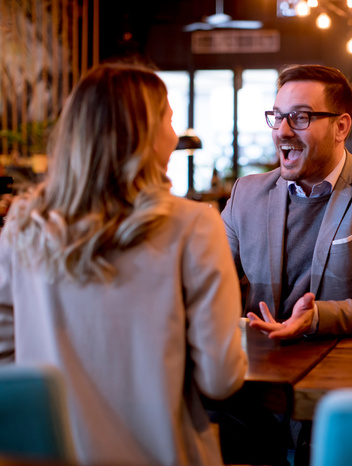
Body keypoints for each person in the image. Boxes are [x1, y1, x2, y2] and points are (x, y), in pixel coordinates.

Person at [0, 63, 248, 465]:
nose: (174, 133)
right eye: (169, 118)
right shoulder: (195, 226)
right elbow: (220, 379)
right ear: (147, 136)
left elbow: (6, 360)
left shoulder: (23, 224)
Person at [221, 64, 352, 339]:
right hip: (258, 359)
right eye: (277, 118)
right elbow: (208, 280)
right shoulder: (246, 193)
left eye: (300, 117)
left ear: (340, 127)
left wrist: (315, 318)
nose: (283, 131)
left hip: (341, 360)